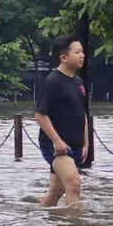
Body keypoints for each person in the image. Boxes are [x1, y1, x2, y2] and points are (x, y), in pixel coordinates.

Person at [35, 34, 88, 207]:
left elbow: (82, 115)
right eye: (77, 52)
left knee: (56, 190)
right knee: (73, 184)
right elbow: (40, 115)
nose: (82, 55)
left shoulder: (78, 82)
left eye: (82, 51)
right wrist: (56, 141)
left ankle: (39, 220)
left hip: (74, 144)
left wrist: (86, 143)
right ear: (64, 57)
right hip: (57, 146)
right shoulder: (52, 82)